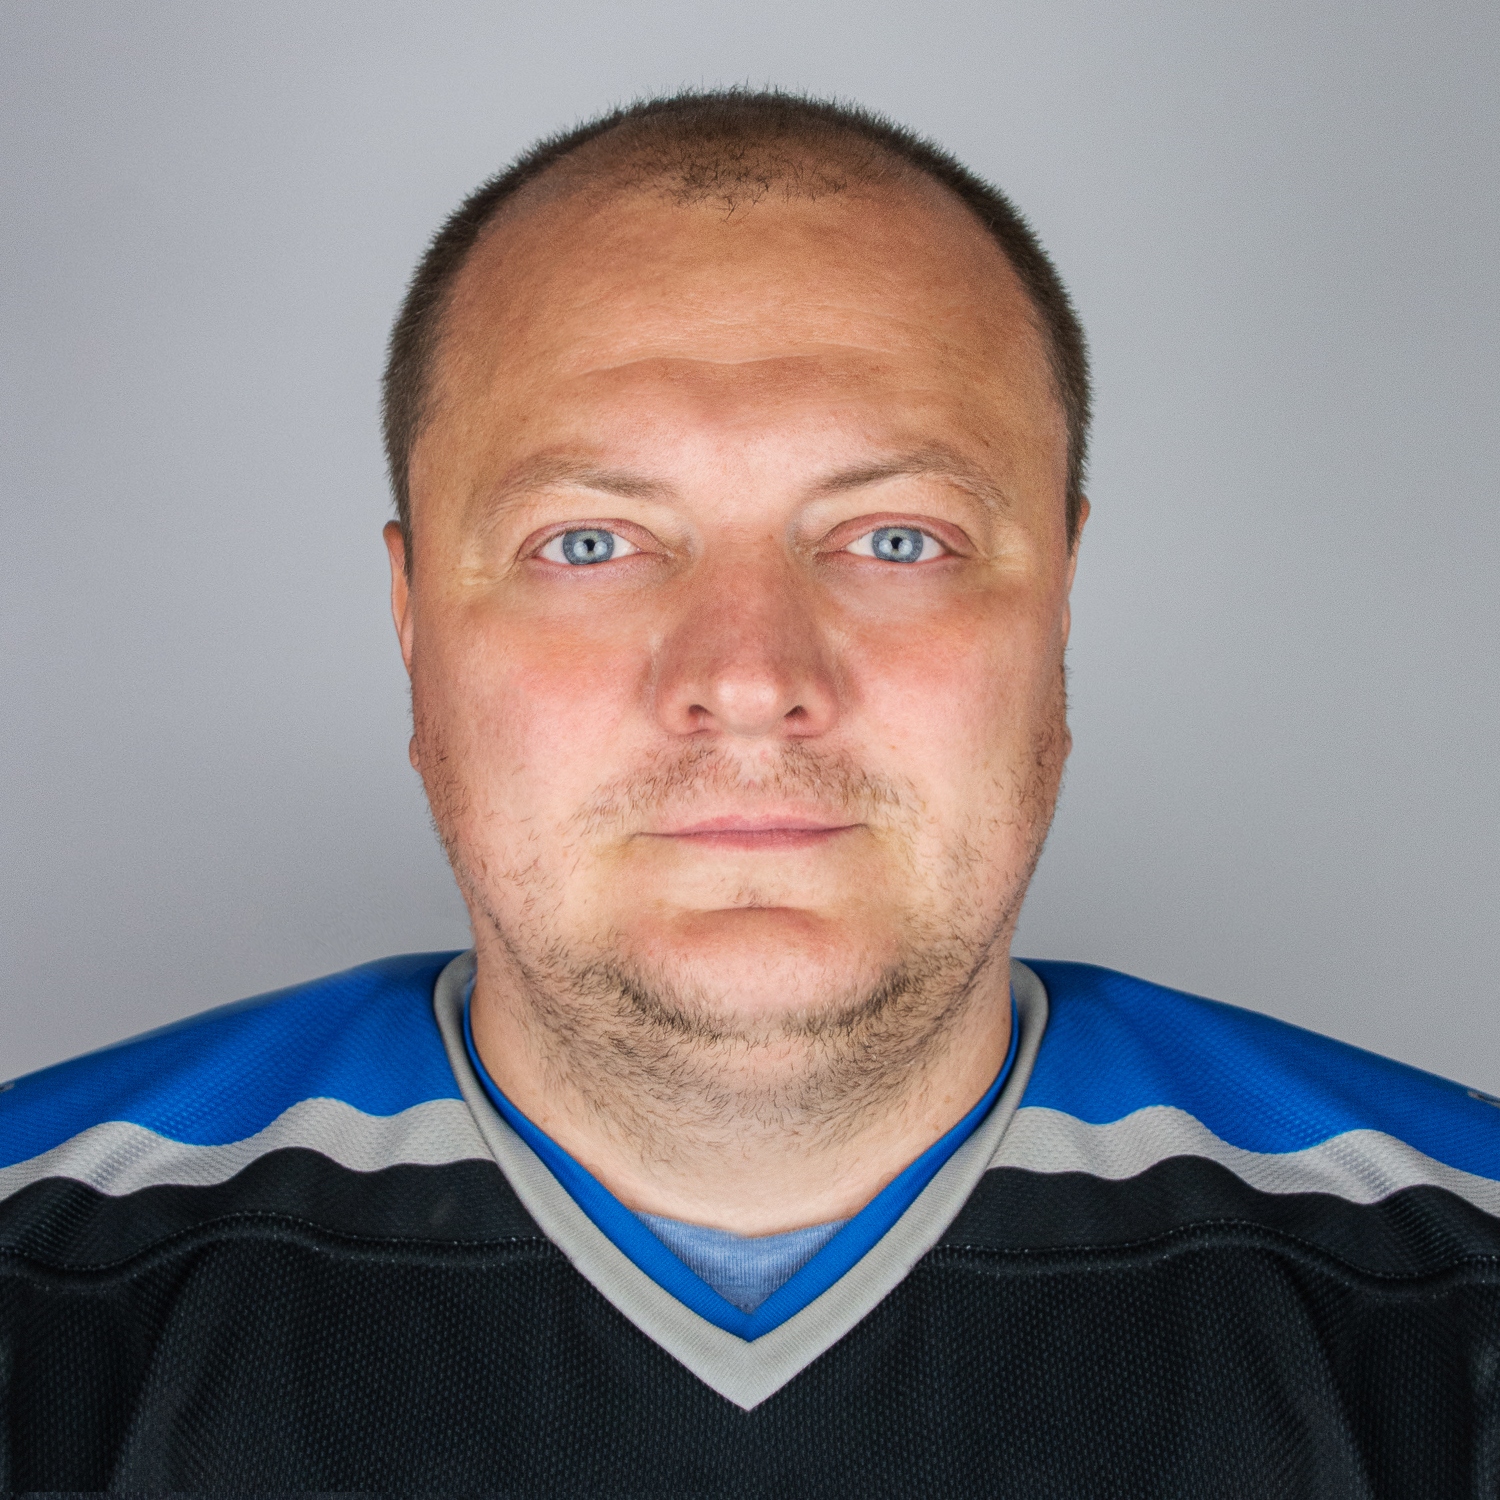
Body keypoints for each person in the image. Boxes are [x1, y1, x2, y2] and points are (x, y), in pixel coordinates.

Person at [2, 89, 1497, 1496]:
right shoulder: (45, 1272)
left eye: (896, 538)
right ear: (414, 625)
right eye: (587, 543)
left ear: (1061, 600)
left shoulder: (1453, 1275)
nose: (746, 676)